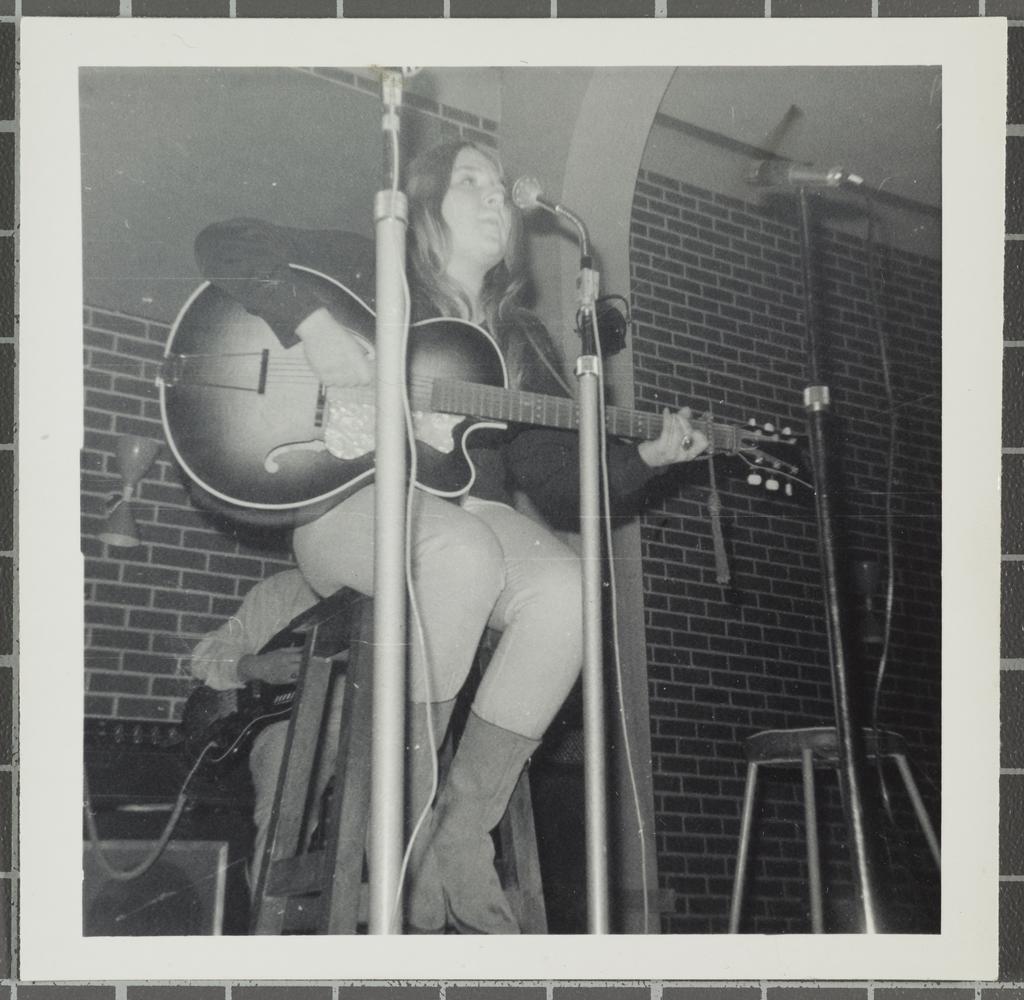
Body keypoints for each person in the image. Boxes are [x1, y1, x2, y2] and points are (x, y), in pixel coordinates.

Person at [195, 139, 708, 934]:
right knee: (462, 554)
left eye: (500, 185)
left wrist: (647, 458)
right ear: (426, 203)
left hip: (467, 510)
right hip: (349, 508)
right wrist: (315, 326)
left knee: (570, 593)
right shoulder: (372, 268)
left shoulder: (522, 341)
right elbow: (224, 242)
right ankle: (399, 817)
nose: (496, 195)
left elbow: (558, 483)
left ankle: (458, 833)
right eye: (471, 181)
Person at [189, 568, 346, 891]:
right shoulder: (282, 589)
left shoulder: (399, 595)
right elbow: (203, 656)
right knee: (287, 792)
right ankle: (268, 905)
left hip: (366, 730)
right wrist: (254, 666)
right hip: (287, 727)